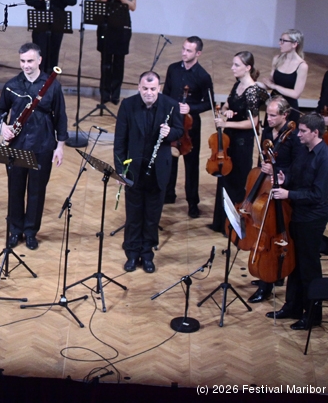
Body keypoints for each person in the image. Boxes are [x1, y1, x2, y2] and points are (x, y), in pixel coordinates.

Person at [0, 43, 67, 250]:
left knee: (37, 191)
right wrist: (3, 126)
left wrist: (60, 146)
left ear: (39, 60)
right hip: (16, 146)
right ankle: (15, 230)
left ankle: (31, 232)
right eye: (23, 61)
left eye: (30, 61)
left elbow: (61, 117)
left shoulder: (52, 86)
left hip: (43, 146)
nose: (26, 65)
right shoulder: (12, 85)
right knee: (15, 190)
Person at [113, 71, 183, 273]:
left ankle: (147, 254)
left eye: (153, 89)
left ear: (159, 88)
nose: (149, 93)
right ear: (139, 87)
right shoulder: (128, 105)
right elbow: (120, 141)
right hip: (134, 170)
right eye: (145, 88)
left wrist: (170, 133)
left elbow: (179, 130)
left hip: (158, 170)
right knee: (133, 215)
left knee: (152, 216)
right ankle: (132, 253)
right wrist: (120, 170)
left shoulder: (170, 105)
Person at [267, 113, 328, 330]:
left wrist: (288, 194)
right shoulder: (304, 150)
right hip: (297, 214)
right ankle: (292, 306)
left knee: (309, 267)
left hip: (312, 218)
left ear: (315, 133)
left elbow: (318, 195)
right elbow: (295, 174)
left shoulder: (324, 158)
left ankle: (312, 315)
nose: (298, 134)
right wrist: (285, 179)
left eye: (302, 131)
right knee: (294, 263)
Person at [247, 96, 303, 303]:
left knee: (274, 233)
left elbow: (298, 168)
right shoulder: (268, 131)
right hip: (267, 187)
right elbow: (265, 156)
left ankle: (268, 282)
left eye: (272, 115)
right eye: (267, 114)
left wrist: (277, 171)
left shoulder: (294, 138)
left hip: (284, 191)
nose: (268, 119)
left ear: (285, 115)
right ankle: (269, 275)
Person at [212, 52, 268, 232]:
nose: (232, 68)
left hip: (242, 143)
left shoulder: (252, 91)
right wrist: (226, 111)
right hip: (229, 139)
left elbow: (253, 122)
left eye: (236, 65)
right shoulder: (238, 84)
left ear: (248, 68)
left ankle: (232, 226)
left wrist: (226, 123)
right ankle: (220, 222)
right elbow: (227, 104)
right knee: (224, 177)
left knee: (236, 181)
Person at [162, 36, 214, 218]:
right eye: (183, 49)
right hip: (172, 121)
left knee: (191, 164)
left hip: (190, 125)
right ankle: (168, 194)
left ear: (198, 53)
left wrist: (191, 108)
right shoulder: (173, 69)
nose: (184, 53)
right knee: (169, 159)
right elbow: (166, 93)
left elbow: (209, 103)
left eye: (189, 50)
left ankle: (193, 202)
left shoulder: (203, 76)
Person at [95, 0, 136, 105]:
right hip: (105, 28)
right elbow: (96, 5)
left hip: (122, 29)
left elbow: (133, 6)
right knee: (105, 62)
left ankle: (115, 95)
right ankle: (105, 94)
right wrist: (102, 0)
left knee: (119, 62)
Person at [258, 29, 308, 118]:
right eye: (280, 40)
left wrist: (274, 86)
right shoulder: (277, 59)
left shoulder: (302, 66)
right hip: (273, 107)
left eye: (284, 41)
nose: (280, 43)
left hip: (288, 108)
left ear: (294, 44)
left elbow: (296, 94)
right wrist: (254, 83)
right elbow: (270, 84)